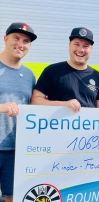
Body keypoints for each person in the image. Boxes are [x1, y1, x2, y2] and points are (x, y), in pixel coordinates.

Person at [0, 22, 37, 202]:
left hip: (17, 149)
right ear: (5, 39)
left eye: (26, 41)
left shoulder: (30, 75)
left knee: (13, 197)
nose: (20, 44)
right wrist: (2, 107)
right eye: (16, 38)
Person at [31, 27, 99, 110]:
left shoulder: (98, 77)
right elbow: (35, 100)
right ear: (69, 45)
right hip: (57, 122)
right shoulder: (52, 71)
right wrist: (64, 105)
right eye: (76, 44)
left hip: (87, 123)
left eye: (86, 46)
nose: (81, 50)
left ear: (91, 49)